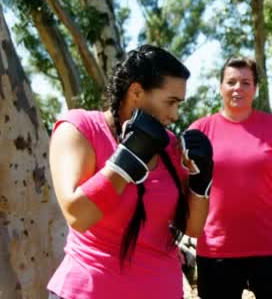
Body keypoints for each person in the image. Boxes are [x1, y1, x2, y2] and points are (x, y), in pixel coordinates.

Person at [47, 45, 213, 299]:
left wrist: (200, 182)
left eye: (179, 104)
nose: (175, 114)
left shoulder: (169, 145)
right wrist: (125, 162)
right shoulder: (80, 129)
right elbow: (77, 215)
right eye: (170, 102)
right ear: (136, 91)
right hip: (87, 291)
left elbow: (192, 228)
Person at [189, 57, 272, 299]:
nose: (238, 88)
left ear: (255, 88)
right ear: (220, 87)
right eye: (231, 82)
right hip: (216, 249)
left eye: (246, 82)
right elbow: (181, 186)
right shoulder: (199, 131)